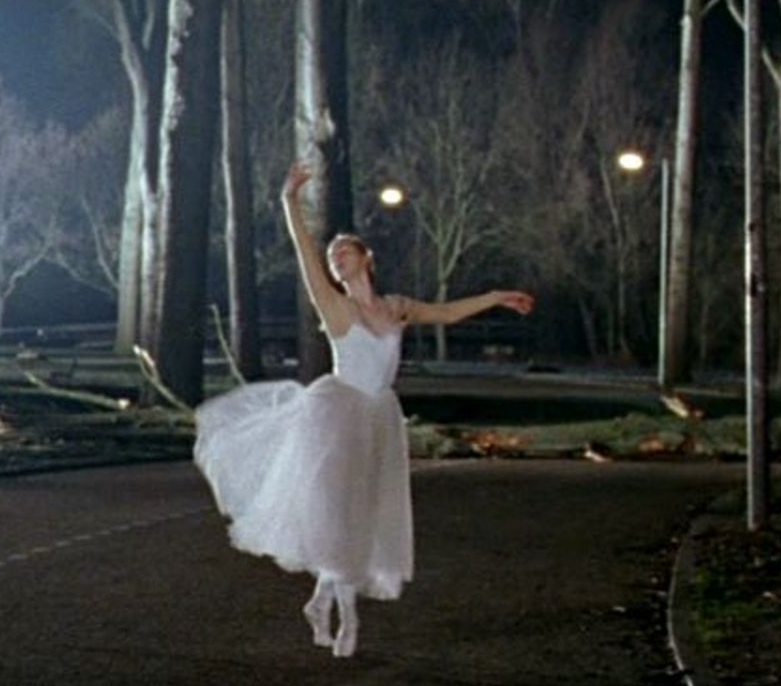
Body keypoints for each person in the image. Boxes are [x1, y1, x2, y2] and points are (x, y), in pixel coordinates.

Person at [193, 163, 534, 658]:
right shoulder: (335, 307)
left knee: (362, 516)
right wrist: (290, 201)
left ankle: (320, 602)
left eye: (344, 251)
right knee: (336, 517)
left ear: (365, 258)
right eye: (333, 256)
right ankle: (346, 618)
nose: (335, 258)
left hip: (378, 415)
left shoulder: (395, 307)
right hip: (337, 414)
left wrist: (498, 297)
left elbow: (447, 311)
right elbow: (305, 253)